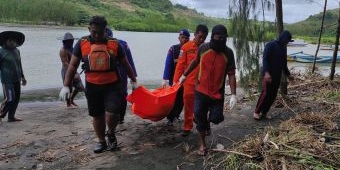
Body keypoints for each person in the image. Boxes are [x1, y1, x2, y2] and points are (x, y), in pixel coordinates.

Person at [59, 16, 137, 153]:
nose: (96, 35)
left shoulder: (115, 44)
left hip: (112, 85)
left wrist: (134, 80)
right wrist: (66, 85)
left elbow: (126, 64)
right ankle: (102, 141)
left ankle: (111, 133)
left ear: (105, 31)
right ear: (89, 29)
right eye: (93, 32)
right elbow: (72, 66)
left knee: (113, 113)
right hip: (92, 86)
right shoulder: (82, 44)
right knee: (97, 115)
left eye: (100, 32)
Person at [180, 24, 237, 156]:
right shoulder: (203, 48)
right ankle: (203, 145)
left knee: (216, 118)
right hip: (200, 90)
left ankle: (206, 123)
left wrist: (233, 94)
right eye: (218, 38)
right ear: (212, 37)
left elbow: (232, 73)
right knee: (199, 116)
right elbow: (195, 62)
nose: (220, 41)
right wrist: (184, 75)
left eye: (223, 39)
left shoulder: (228, 53)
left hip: (217, 93)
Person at [173, 24, 208, 136]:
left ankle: (202, 124)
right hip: (189, 82)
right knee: (188, 104)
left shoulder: (207, 48)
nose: (202, 39)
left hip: (203, 83)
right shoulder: (186, 48)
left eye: (204, 37)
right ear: (195, 34)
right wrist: (176, 81)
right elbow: (180, 65)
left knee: (202, 105)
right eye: (200, 36)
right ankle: (187, 126)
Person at [254, 30, 294, 120]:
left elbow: (284, 63)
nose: (287, 42)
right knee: (266, 93)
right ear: (283, 38)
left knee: (273, 95)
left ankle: (264, 112)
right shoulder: (271, 45)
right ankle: (256, 112)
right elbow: (265, 59)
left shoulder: (283, 48)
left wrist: (288, 75)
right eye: (287, 40)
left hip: (277, 75)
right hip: (268, 74)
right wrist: (267, 73)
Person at [105, 27, 138, 124]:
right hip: (118, 73)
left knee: (121, 94)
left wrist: (133, 79)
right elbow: (130, 63)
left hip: (118, 73)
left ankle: (119, 117)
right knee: (121, 94)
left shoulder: (121, 44)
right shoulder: (122, 44)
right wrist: (133, 79)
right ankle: (120, 118)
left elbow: (129, 62)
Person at [162, 28, 190, 125]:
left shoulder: (191, 49)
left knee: (182, 99)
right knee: (173, 99)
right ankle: (170, 118)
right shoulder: (173, 49)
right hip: (174, 79)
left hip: (186, 80)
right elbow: (168, 64)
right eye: (183, 38)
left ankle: (176, 115)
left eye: (186, 38)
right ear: (179, 38)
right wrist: (165, 78)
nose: (184, 40)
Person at [0, 31, 26, 124]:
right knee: (10, 98)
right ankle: (0, 115)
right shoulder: (1, 52)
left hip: (16, 79)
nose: (12, 42)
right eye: (10, 40)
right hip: (7, 80)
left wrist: (23, 77)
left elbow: (19, 65)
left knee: (17, 98)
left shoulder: (17, 51)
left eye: (14, 41)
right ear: (5, 41)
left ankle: (11, 117)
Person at [59, 32, 85, 108]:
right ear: (65, 41)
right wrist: (75, 73)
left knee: (80, 87)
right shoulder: (63, 50)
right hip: (66, 70)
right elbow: (66, 63)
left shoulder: (72, 48)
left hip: (73, 69)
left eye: (72, 40)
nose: (71, 42)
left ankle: (71, 99)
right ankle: (68, 104)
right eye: (69, 41)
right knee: (68, 88)